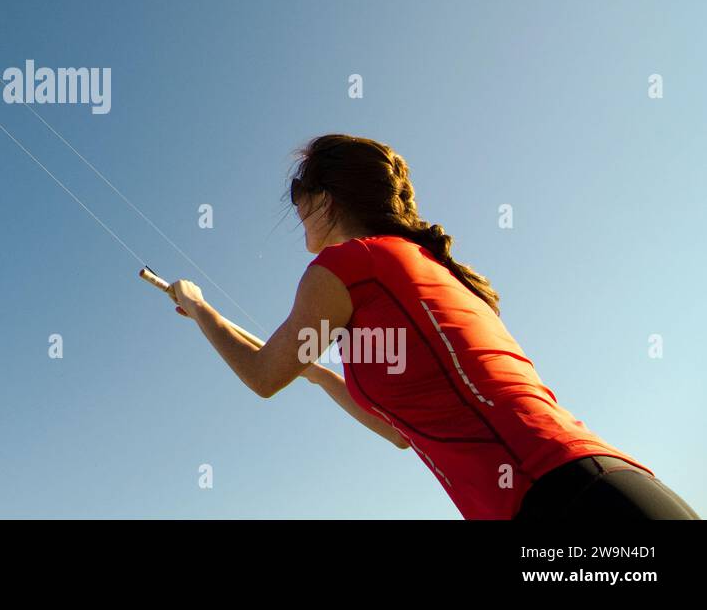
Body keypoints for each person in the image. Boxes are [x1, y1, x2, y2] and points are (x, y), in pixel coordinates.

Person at [164, 133, 700, 520]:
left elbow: (263, 376)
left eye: (297, 197)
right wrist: (320, 375)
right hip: (589, 488)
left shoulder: (350, 263)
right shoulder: (414, 269)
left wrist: (199, 307)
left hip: (559, 498)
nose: (297, 212)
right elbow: (401, 435)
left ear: (324, 199)